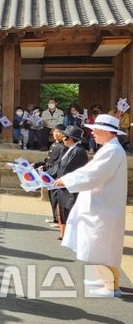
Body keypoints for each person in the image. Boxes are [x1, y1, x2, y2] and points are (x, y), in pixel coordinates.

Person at [53, 114, 128, 297]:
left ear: (105, 131)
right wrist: (68, 179)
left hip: (104, 208)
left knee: (103, 247)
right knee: (99, 245)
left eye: (95, 129)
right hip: (101, 205)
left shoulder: (112, 151)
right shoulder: (110, 148)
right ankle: (106, 281)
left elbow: (94, 174)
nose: (92, 133)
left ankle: (111, 286)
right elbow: (90, 172)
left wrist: (67, 180)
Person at [52, 126, 88, 240]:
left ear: (70, 138)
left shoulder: (78, 151)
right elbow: (59, 166)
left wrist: (58, 179)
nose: (62, 138)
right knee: (63, 210)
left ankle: (71, 236)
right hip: (64, 187)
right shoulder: (71, 149)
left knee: (69, 210)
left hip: (70, 187)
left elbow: (68, 169)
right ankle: (65, 235)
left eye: (64, 137)